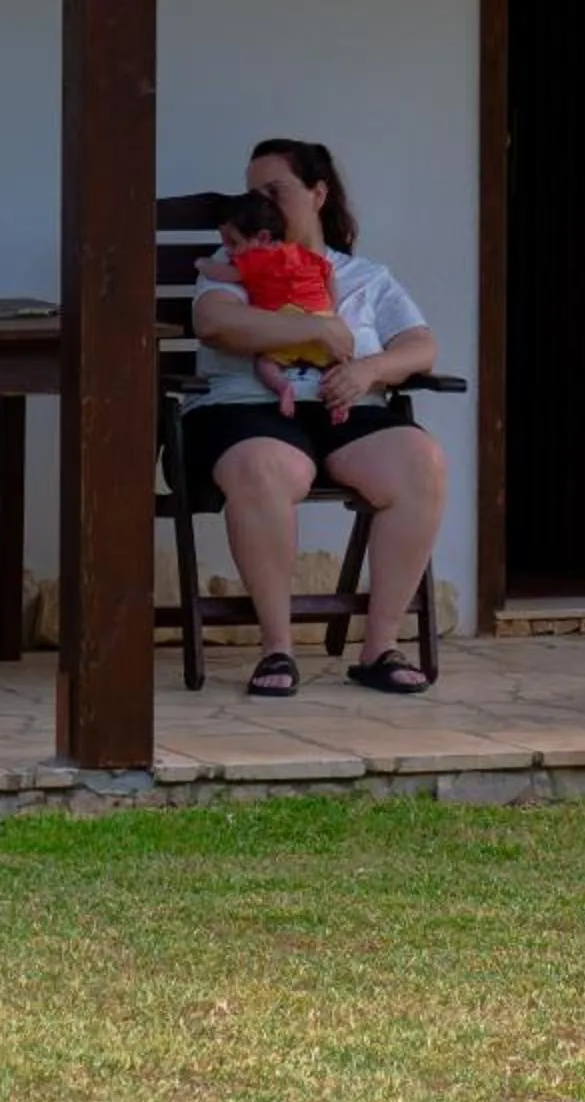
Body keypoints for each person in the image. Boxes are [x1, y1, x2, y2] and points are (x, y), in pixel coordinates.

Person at [187, 137, 447, 699]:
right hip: (243, 409)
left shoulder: (365, 277)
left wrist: (369, 369)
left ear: (318, 194)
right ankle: (277, 649)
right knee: (265, 467)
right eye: (253, 192)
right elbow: (216, 325)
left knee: (420, 462)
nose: (262, 202)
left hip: (345, 407)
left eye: (275, 190)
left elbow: (422, 348)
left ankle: (379, 647)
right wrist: (317, 331)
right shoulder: (233, 266)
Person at [200, 187, 339, 418]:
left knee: (265, 364)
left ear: (263, 237)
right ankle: (338, 400)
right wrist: (331, 309)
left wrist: (203, 265)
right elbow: (329, 274)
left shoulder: (257, 257)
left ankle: (283, 388)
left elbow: (227, 275)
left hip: (284, 325)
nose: (228, 251)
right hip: (321, 320)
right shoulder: (303, 254)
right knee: (334, 365)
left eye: (233, 243)